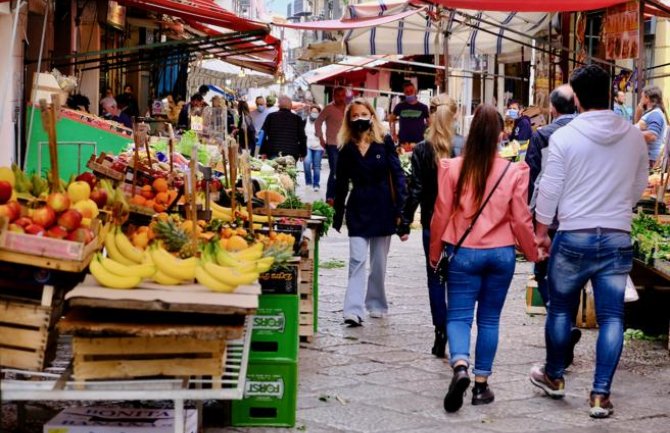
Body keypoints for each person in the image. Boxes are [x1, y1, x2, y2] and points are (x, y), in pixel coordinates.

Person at [530, 64, 648, 419]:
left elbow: (549, 189)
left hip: (572, 235)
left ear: (577, 99)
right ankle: (600, 396)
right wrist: (617, 208)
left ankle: (554, 375)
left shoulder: (564, 137)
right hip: (616, 236)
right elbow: (639, 184)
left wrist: (539, 233)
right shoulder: (631, 135)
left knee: (561, 309)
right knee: (612, 317)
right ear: (609, 94)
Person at [429, 104, 539, 413]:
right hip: (501, 254)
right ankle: (481, 386)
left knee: (459, 317)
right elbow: (521, 219)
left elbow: (440, 214)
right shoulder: (513, 171)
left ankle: (460, 365)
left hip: (463, 253)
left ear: (472, 130)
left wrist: (435, 252)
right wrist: (532, 252)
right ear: (500, 135)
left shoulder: (452, 168)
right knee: (489, 320)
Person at [333, 98, 407, 327]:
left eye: (363, 114)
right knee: (356, 259)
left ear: (372, 116)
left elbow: (398, 175)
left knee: (378, 263)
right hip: (357, 209)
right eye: (354, 115)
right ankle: (352, 310)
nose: (359, 119)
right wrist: (337, 214)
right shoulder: (345, 148)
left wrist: (401, 211)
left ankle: (376, 303)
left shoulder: (384, 142)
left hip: (383, 207)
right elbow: (341, 182)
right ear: (348, 120)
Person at [397, 94, 459, 359]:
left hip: (433, 222)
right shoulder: (463, 147)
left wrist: (404, 220)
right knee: (457, 281)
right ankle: (457, 333)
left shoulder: (423, 149)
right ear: (454, 115)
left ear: (429, 116)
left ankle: (440, 331)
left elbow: (416, 189)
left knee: (435, 278)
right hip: (461, 225)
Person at [525, 84, 581, 368]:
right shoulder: (586, 133)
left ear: (553, 109)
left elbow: (531, 177)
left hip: (549, 219)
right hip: (580, 217)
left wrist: (530, 220)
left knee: (542, 273)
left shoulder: (543, 135)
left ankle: (560, 322)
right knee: (571, 279)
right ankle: (567, 323)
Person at [314, 87, 347, 205]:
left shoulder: (348, 108)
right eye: (338, 95)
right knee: (335, 171)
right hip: (332, 145)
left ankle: (339, 197)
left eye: (342, 95)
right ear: (333, 96)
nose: (340, 97)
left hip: (346, 145)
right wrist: (321, 138)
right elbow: (318, 122)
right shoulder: (329, 108)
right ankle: (330, 197)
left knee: (344, 172)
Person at [260, 95, 306, 160]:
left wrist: (263, 151)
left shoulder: (271, 116)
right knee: (290, 170)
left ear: (279, 106)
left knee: (275, 169)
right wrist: (303, 153)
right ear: (290, 106)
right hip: (292, 152)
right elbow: (302, 137)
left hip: (273, 151)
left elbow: (263, 134)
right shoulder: (297, 119)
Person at [634, 85, 668, 167]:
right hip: (648, 158)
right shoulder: (652, 113)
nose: (640, 100)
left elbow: (652, 136)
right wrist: (639, 109)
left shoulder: (655, 114)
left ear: (647, 98)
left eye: (642, 97)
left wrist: (631, 132)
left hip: (651, 160)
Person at [390, 81, 430, 149]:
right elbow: (391, 120)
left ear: (416, 91)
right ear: (404, 93)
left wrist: (427, 136)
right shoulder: (399, 106)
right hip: (403, 142)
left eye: (411, 91)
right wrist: (393, 134)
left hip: (419, 142)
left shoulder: (423, 107)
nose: (409, 93)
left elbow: (429, 123)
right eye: (407, 92)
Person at [304, 106, 324, 191]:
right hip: (307, 146)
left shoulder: (322, 122)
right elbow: (303, 133)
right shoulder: (306, 121)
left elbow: (324, 135)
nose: (314, 113)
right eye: (313, 111)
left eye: (316, 112)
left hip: (318, 147)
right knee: (307, 163)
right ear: (310, 112)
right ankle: (308, 182)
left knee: (316, 166)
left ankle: (316, 184)